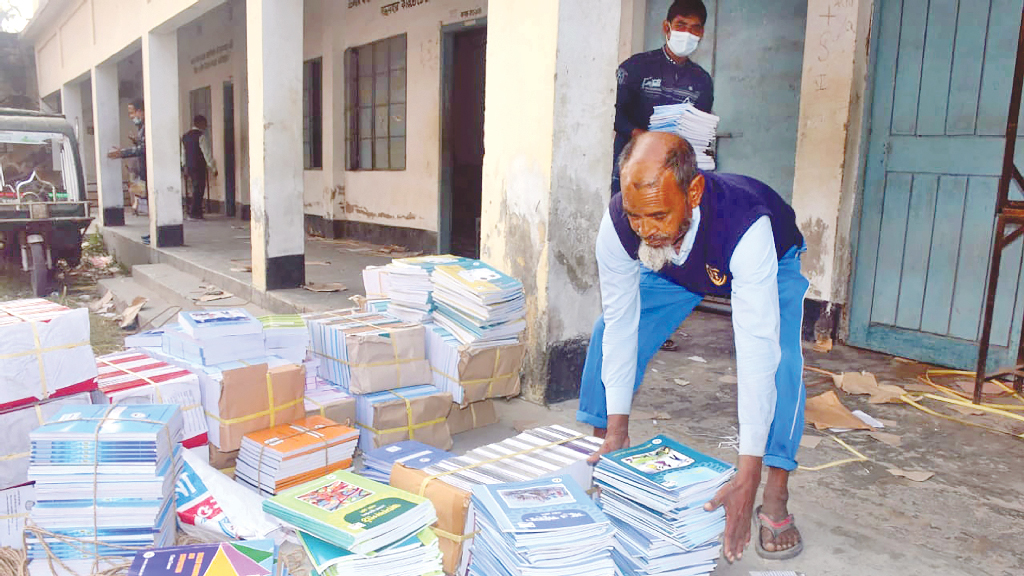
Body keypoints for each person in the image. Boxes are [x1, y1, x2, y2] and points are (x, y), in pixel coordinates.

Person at [580, 132, 807, 563]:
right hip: (675, 265)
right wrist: (617, 427)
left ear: (695, 192)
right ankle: (607, 454)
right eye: (635, 216)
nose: (645, 229)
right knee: (604, 331)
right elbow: (623, 325)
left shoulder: (746, 225)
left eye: (658, 214)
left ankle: (775, 492)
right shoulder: (628, 228)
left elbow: (757, 352)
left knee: (782, 365)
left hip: (769, 261)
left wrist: (747, 475)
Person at [613, 0, 714, 351]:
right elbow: (615, 116)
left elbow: (701, 129)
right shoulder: (635, 69)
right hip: (635, 177)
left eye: (696, 27)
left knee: (665, 245)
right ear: (666, 27)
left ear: (702, 32)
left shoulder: (702, 81)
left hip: (674, 184)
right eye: (681, 24)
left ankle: (654, 325)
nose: (688, 33)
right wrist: (644, 137)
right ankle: (621, 320)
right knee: (629, 245)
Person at [108, 98, 148, 243]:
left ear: (140, 111)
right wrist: (136, 141)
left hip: (150, 171)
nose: (131, 116)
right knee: (145, 200)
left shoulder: (148, 126)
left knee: (150, 201)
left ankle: (156, 231)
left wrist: (123, 153)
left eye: (132, 112)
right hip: (143, 170)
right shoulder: (142, 127)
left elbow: (145, 149)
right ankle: (153, 231)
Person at [181, 115, 217, 219]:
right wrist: (213, 168)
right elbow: (207, 153)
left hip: (189, 166)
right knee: (199, 189)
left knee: (194, 188)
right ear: (200, 123)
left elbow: (183, 153)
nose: (206, 126)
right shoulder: (201, 136)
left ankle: (195, 212)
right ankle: (195, 213)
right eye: (205, 124)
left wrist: (184, 165)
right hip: (199, 166)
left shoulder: (185, 136)